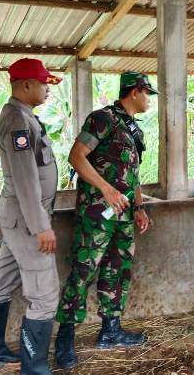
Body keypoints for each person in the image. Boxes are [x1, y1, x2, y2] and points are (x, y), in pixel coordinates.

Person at [54, 71, 155, 369]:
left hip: (123, 215)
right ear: (135, 92)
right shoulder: (103, 119)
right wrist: (107, 190)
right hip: (98, 212)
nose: (149, 99)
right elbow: (76, 157)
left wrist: (139, 207)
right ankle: (65, 338)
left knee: (118, 268)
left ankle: (111, 330)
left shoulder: (134, 131)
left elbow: (133, 176)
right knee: (84, 270)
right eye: (147, 93)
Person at [0, 58, 62, 375]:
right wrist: (41, 226)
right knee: (44, 294)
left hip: (18, 218)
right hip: (28, 220)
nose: (46, 90)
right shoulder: (17, 121)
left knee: (3, 283)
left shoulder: (24, 117)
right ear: (25, 85)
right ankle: (34, 367)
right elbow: (26, 179)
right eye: (43, 84)